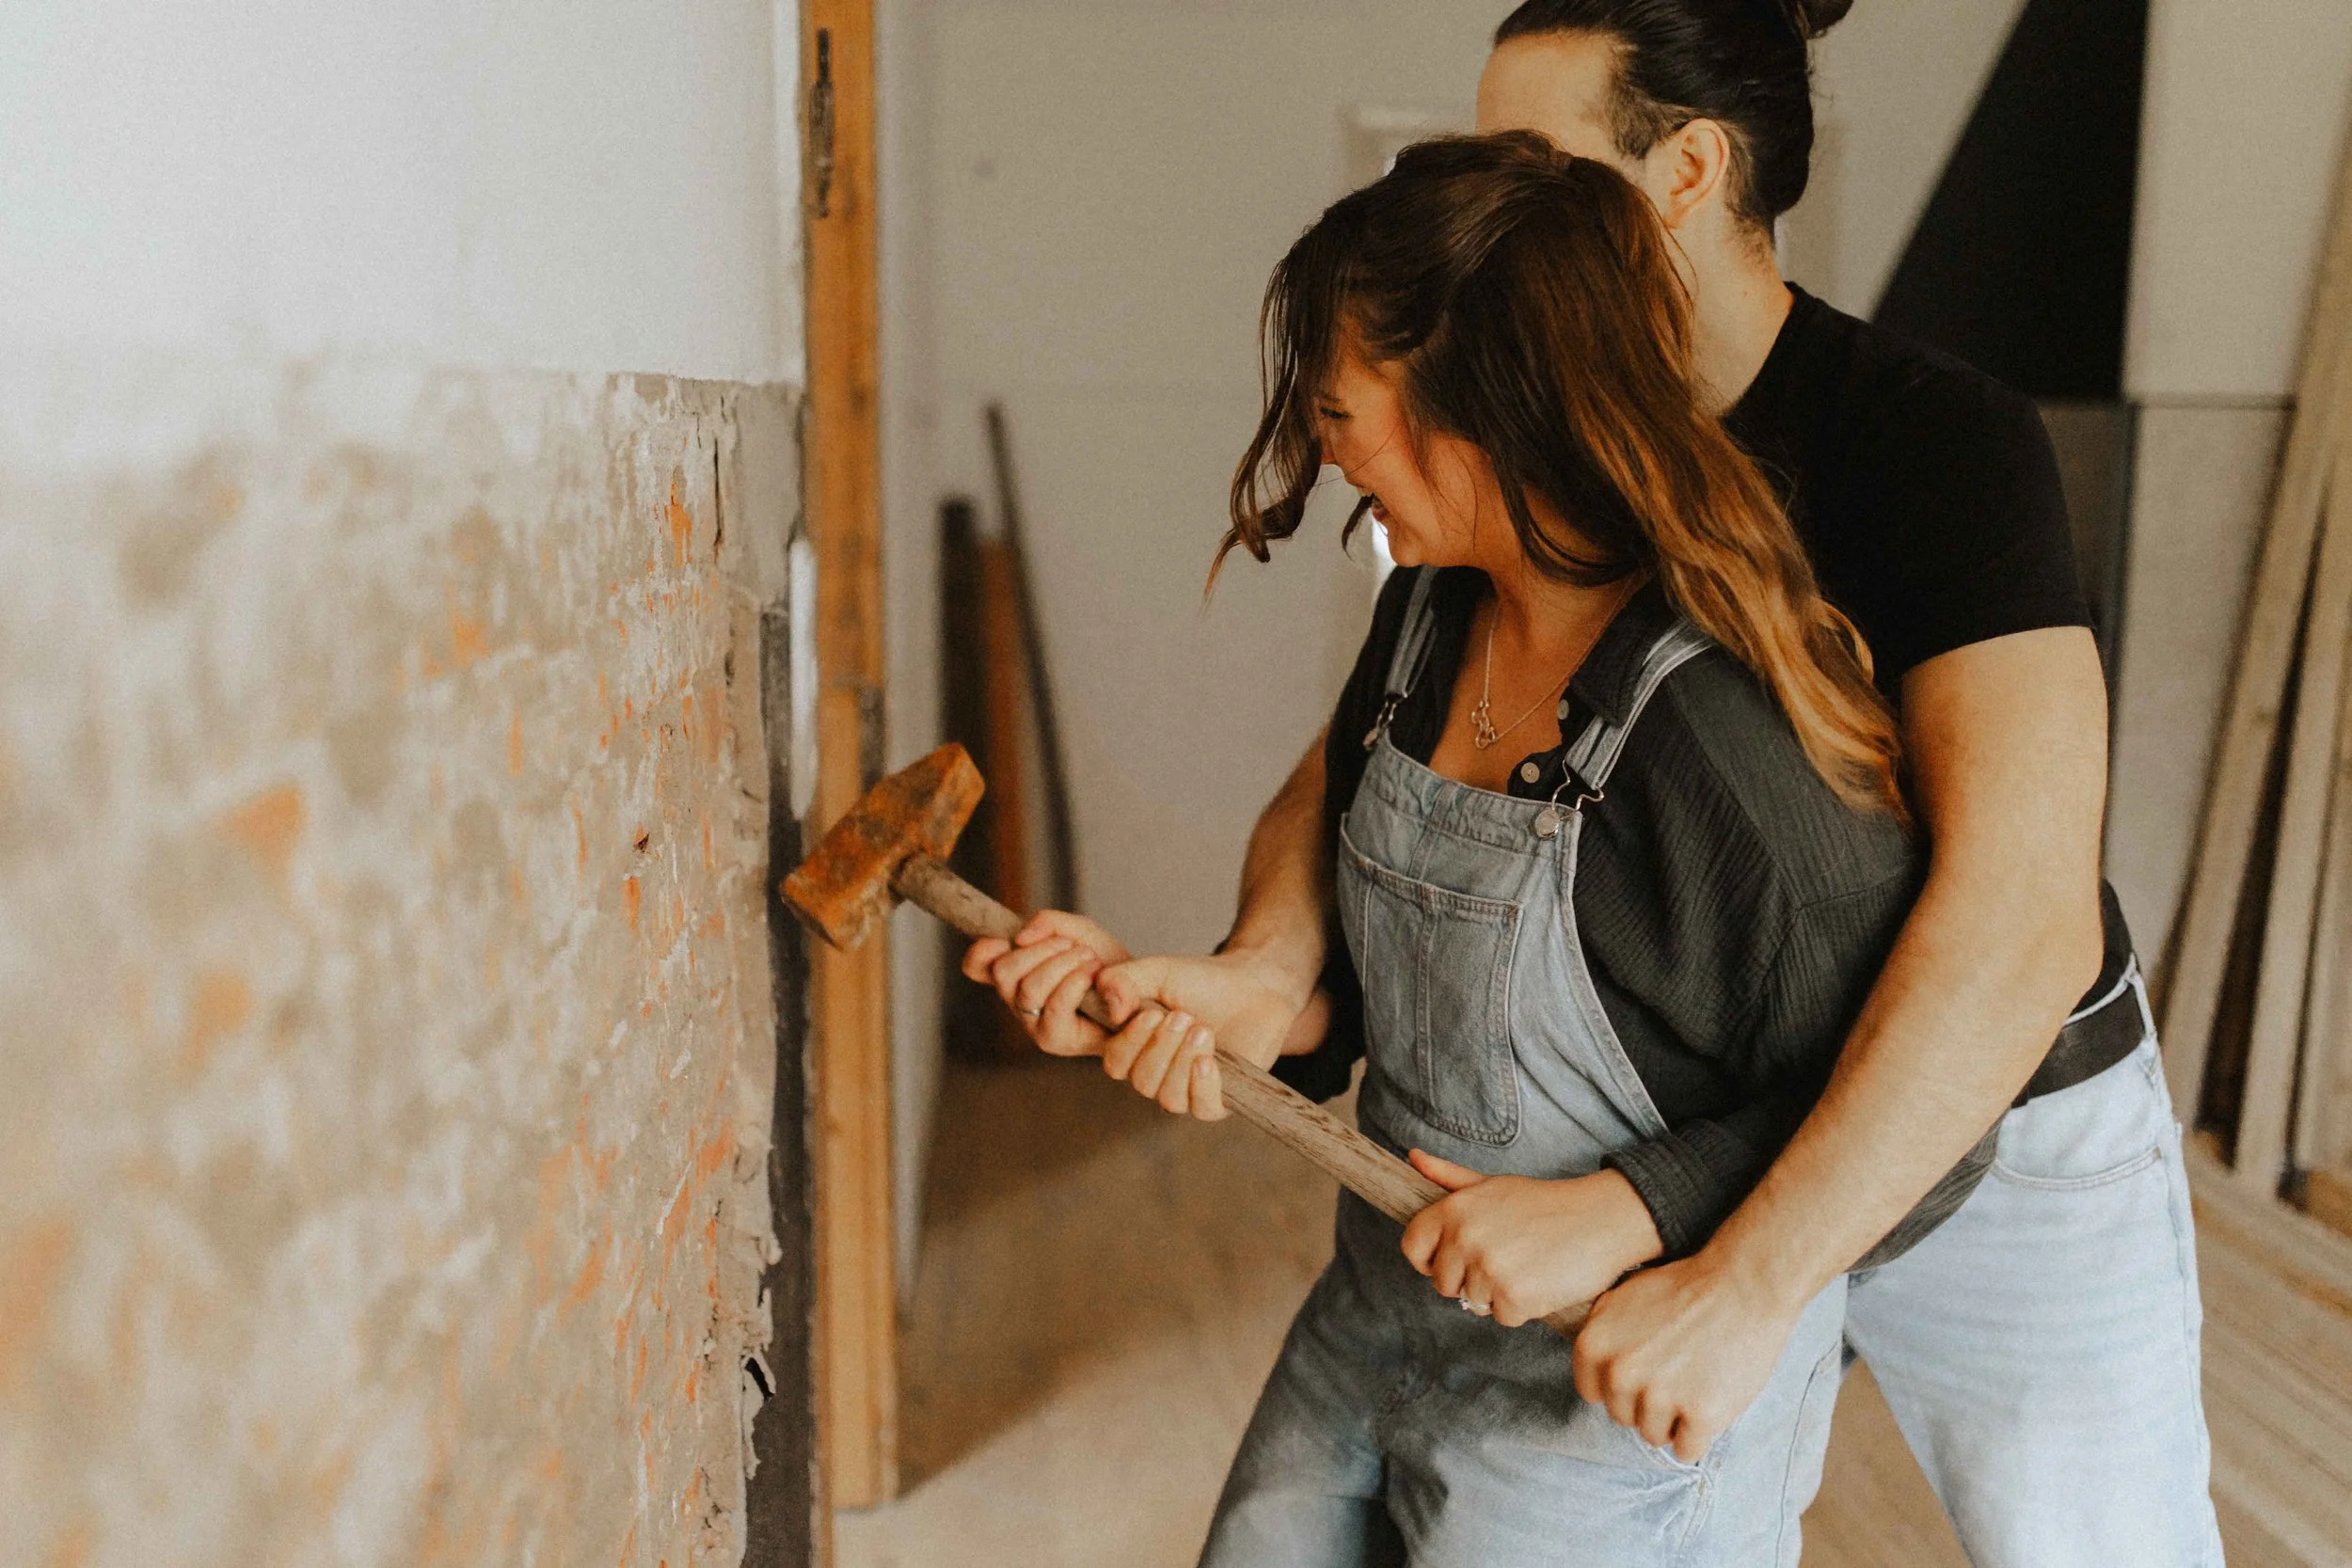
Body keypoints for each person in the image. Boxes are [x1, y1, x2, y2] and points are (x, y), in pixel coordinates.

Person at [969, 4, 2223, 1565]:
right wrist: (1267, 971)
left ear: (1689, 168)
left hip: (1980, 1100)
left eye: (1530, 157)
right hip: (1697, 1110)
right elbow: (1367, 755)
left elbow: (2016, 924)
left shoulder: (1933, 446)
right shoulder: (1510, 477)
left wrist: (1745, 1267)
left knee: (2094, 1541)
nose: (1489, 195)